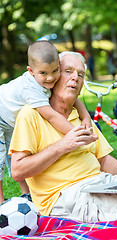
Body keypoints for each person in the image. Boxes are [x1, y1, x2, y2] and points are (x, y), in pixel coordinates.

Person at [10, 51, 117, 222]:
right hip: (65, 197)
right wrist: (63, 145)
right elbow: (17, 171)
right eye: (68, 71)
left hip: (100, 185)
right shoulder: (30, 115)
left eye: (80, 74)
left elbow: (103, 159)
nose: (75, 77)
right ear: (54, 76)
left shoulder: (82, 118)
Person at [0, 41, 91, 203]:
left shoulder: (46, 77)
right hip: (1, 116)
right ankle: (0, 202)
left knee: (16, 151)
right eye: (43, 73)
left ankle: (26, 194)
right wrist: (76, 134)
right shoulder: (31, 89)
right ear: (31, 71)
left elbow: (75, 98)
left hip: (11, 118)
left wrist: (86, 117)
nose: (50, 78)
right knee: (1, 158)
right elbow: (52, 116)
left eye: (56, 71)